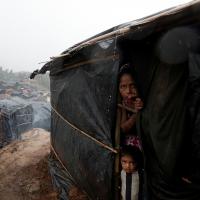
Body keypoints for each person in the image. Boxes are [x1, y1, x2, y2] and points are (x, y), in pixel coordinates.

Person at [118, 63, 143, 149]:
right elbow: (124, 128)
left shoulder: (143, 100)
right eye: (123, 86)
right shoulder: (122, 104)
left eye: (132, 86)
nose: (128, 91)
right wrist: (136, 114)